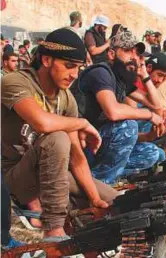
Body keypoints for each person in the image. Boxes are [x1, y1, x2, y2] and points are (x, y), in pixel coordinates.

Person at [1, 28, 116, 242]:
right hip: (16, 179)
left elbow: (77, 158)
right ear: (46, 59)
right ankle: (54, 230)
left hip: (52, 174)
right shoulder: (15, 82)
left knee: (114, 201)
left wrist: (94, 200)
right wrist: (82, 122)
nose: (74, 74)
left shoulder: (66, 99)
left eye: (79, 68)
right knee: (57, 138)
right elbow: (42, 122)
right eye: (69, 66)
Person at [72, 30, 166, 184]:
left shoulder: (121, 80)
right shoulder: (101, 72)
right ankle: (98, 184)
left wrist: (144, 74)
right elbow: (113, 112)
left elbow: (157, 106)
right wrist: (149, 115)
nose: (134, 57)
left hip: (99, 140)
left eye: (136, 53)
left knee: (151, 153)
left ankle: (96, 177)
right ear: (111, 54)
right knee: (128, 126)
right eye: (128, 51)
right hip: (81, 141)